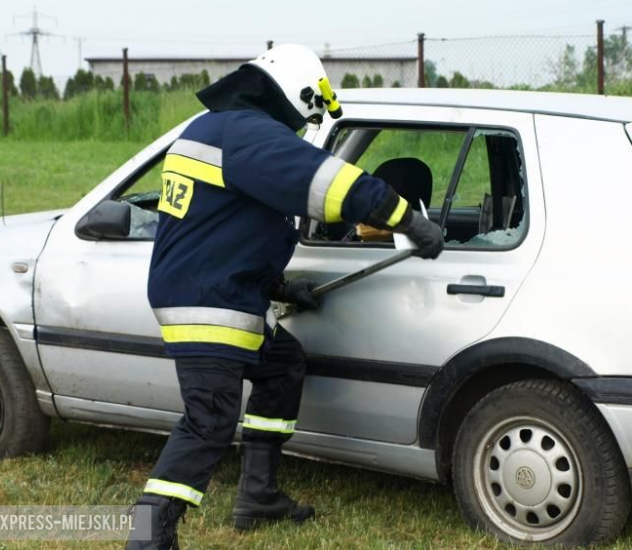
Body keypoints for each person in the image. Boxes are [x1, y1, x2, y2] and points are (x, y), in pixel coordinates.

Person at [126, 43, 443, 549]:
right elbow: (326, 183)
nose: (300, 130)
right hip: (209, 302)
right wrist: (407, 220)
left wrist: (277, 287)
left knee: (282, 364)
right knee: (209, 421)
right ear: (295, 95)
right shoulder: (247, 133)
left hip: (215, 288)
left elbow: (221, 228)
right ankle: (150, 533)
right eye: (306, 117)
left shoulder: (214, 128)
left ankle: (258, 494)